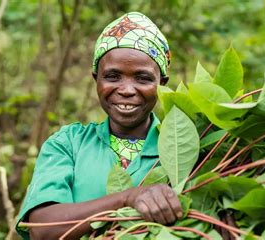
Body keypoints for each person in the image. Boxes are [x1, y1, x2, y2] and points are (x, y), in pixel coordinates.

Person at [15, 12, 183, 239]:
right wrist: (127, 198)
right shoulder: (68, 144)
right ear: (96, 79)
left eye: (142, 78)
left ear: (161, 83)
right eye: (113, 76)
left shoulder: (182, 148)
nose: (126, 90)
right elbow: (43, 229)